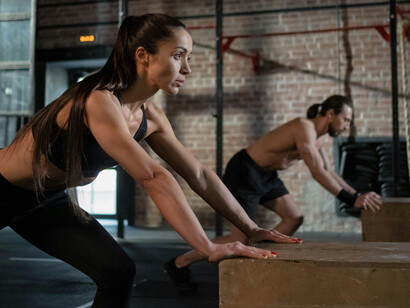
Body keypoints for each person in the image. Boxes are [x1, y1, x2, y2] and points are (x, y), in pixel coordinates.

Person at [0, 14, 301, 307]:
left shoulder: (150, 117)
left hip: (45, 201)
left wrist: (250, 227)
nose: (187, 68)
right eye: (178, 55)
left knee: (117, 271)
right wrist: (207, 247)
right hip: (2, 188)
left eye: (189, 57)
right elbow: (153, 178)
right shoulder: (98, 100)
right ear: (143, 55)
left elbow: (199, 174)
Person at [166, 95, 382, 290]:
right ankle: (179, 262)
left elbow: (329, 172)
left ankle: (258, 256)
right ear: (330, 114)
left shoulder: (320, 138)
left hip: (268, 176)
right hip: (245, 171)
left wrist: (357, 195)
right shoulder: (304, 127)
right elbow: (317, 172)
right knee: (238, 238)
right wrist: (351, 199)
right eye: (346, 119)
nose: (347, 126)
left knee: (294, 217)